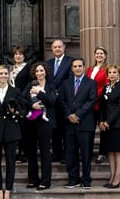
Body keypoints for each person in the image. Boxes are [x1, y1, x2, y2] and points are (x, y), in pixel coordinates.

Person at [0, 65, 25, 199]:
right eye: (0, 73)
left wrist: (15, 112)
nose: (3, 76)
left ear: (9, 76)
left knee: (10, 163)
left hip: (11, 131)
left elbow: (23, 110)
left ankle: (8, 190)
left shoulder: (16, 91)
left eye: (5, 73)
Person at [59, 58, 96, 189]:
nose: (77, 68)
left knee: (86, 153)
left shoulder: (91, 83)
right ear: (72, 68)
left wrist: (78, 114)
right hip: (69, 123)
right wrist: (69, 115)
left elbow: (91, 101)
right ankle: (73, 179)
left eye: (80, 66)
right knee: (70, 152)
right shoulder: (65, 83)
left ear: (84, 67)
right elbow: (61, 101)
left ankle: (86, 180)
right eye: (75, 66)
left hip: (84, 123)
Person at [22, 62, 56, 191]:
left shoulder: (51, 86)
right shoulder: (29, 85)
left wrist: (39, 93)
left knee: (45, 152)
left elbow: (52, 101)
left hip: (45, 122)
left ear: (46, 72)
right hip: (31, 122)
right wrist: (32, 106)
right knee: (31, 152)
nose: (39, 73)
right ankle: (33, 180)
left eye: (41, 71)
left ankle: (45, 181)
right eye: (37, 71)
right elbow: (22, 99)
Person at [98, 64, 120, 188]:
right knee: (110, 150)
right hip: (106, 125)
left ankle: (118, 176)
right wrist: (101, 121)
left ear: (119, 74)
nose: (111, 75)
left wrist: (108, 121)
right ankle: (112, 175)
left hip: (118, 124)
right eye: (110, 72)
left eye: (114, 72)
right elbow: (102, 107)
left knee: (118, 151)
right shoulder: (106, 88)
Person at [46, 39, 73, 163]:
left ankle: (65, 155)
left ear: (64, 48)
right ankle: (56, 153)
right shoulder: (48, 63)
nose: (57, 49)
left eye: (59, 47)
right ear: (52, 49)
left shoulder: (71, 62)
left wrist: (59, 92)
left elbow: (70, 79)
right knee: (54, 129)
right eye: (55, 47)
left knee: (64, 129)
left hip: (64, 101)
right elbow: (46, 81)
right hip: (51, 101)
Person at [85, 46, 109, 164]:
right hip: (90, 105)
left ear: (105, 56)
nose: (99, 55)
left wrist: (93, 96)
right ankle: (88, 151)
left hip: (101, 103)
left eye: (101, 53)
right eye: (97, 53)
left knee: (102, 129)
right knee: (89, 129)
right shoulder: (89, 69)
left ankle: (102, 153)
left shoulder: (107, 69)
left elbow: (106, 85)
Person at [9, 46, 31, 164]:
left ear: (24, 56)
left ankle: (23, 153)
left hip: (23, 102)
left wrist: (21, 96)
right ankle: (14, 151)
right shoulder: (11, 68)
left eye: (20, 54)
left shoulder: (28, 68)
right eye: (16, 54)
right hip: (12, 102)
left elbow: (29, 84)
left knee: (23, 129)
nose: (18, 56)